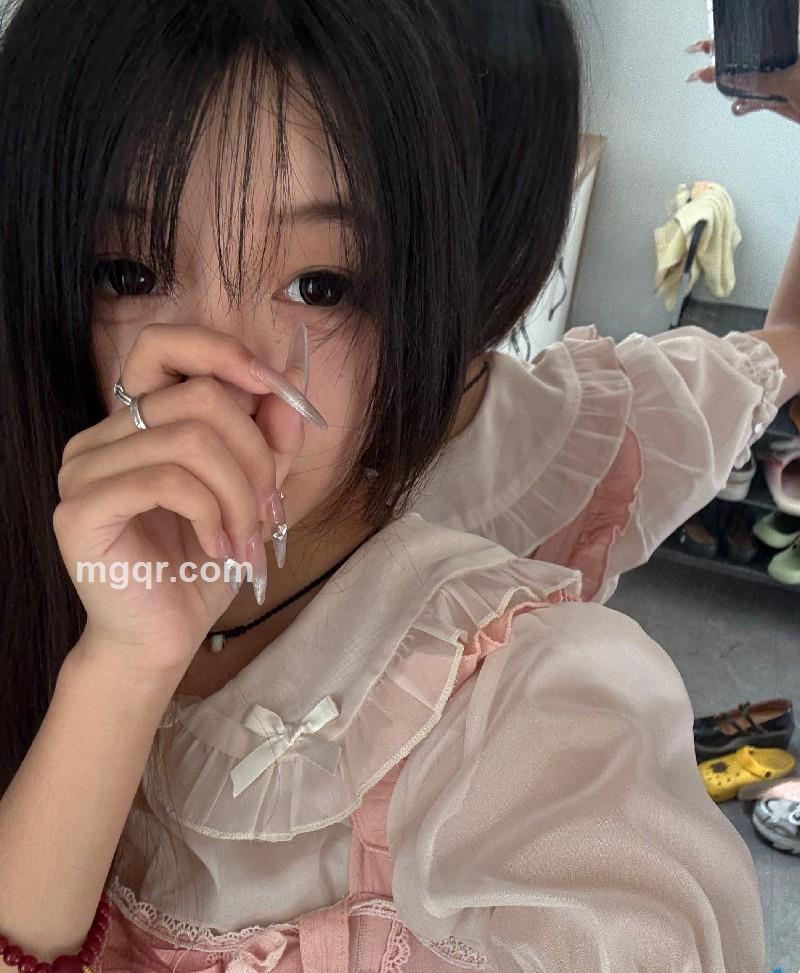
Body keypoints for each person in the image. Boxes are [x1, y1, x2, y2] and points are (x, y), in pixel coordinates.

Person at [0, 2, 799, 970]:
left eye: (322, 286)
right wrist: (117, 671)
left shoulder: (530, 698)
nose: (213, 377)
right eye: (128, 270)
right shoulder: (56, 510)